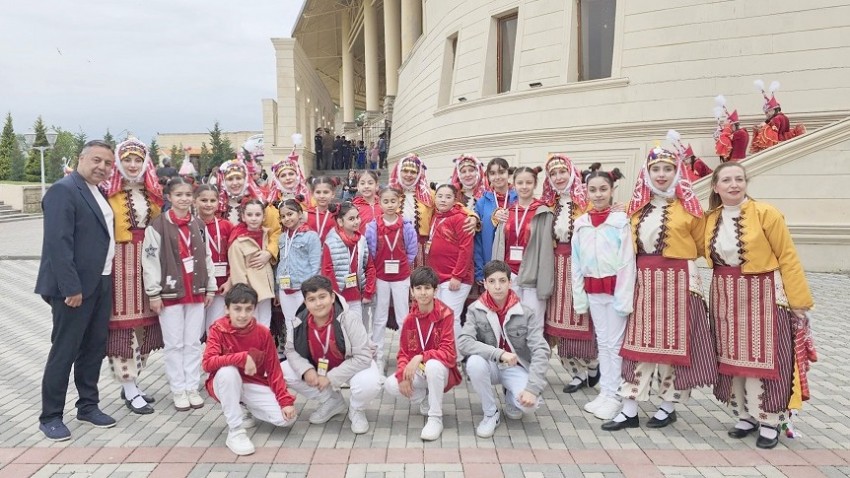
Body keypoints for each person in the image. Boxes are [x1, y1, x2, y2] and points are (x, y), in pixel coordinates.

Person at [605, 143, 717, 431]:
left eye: (668, 169)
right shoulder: (635, 208)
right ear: (647, 172)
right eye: (656, 169)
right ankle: (629, 407)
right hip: (645, 282)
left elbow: (704, 245)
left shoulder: (691, 210)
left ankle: (668, 405)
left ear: (677, 171)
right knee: (637, 346)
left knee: (675, 346)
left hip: (681, 282)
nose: (662, 174)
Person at [704, 162, 814, 449]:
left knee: (766, 357)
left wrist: (798, 300)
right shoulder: (709, 219)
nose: (733, 185)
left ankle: (769, 419)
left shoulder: (766, 213)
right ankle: (745, 415)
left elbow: (787, 255)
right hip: (725, 294)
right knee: (731, 358)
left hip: (763, 292)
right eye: (726, 180)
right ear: (716, 186)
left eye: (739, 179)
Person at [36, 139, 118, 441]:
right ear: (80, 158)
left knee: (94, 348)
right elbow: (58, 244)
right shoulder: (64, 190)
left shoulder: (98, 192)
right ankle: (50, 416)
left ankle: (87, 405)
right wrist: (71, 287)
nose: (102, 167)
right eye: (96, 160)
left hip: (101, 281)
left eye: (108, 163)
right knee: (65, 351)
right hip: (75, 289)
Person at [102, 138, 165, 415]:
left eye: (137, 160)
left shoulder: (153, 193)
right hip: (120, 262)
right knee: (123, 328)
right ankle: (128, 387)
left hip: (148, 262)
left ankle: (133, 383)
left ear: (144, 163)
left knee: (144, 326)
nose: (132, 164)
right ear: (119, 161)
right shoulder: (108, 192)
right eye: (127, 159)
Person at [142, 177, 216, 412]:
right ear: (169, 197)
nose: (183, 199)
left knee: (193, 342)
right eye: (178, 195)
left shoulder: (198, 225)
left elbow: (207, 257)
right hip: (170, 292)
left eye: (187, 195)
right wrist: (153, 293)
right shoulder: (157, 226)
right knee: (174, 344)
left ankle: (192, 387)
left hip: (195, 290)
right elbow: (150, 261)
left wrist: (210, 286)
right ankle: (178, 389)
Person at [459, 260, 550, 438]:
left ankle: (511, 396)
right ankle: (491, 413)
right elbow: (464, 342)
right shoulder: (475, 310)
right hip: (491, 365)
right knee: (474, 363)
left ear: (510, 282)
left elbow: (541, 350)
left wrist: (532, 388)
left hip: (516, 367)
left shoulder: (526, 312)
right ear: (484, 284)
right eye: (492, 281)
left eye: (502, 281)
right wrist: (498, 353)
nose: (497, 286)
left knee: (529, 405)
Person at [571, 168, 635, 420]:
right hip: (593, 289)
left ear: (612, 191)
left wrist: (624, 296)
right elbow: (576, 262)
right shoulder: (581, 223)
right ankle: (607, 392)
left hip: (615, 291)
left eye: (603, 189)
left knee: (615, 344)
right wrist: (579, 296)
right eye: (593, 190)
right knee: (604, 343)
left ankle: (617, 395)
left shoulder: (621, 222)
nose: (597, 195)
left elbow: (627, 261)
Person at [281, 275, 382, 434]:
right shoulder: (298, 320)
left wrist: (330, 378)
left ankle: (356, 409)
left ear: (332, 296)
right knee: (283, 370)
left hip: (350, 365)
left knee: (369, 382)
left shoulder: (348, 318)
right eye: (312, 299)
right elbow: (291, 350)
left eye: (322, 297)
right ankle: (332, 401)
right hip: (319, 365)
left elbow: (363, 357)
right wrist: (306, 370)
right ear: (306, 302)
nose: (318, 303)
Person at [203, 284, 297, 456]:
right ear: (227, 309)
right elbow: (208, 363)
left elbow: (274, 369)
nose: (243, 315)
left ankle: (244, 405)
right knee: (228, 372)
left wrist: (285, 401)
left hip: (251, 383)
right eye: (237, 309)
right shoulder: (218, 329)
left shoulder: (262, 332)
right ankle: (235, 430)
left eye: (248, 309)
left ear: (254, 309)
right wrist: (242, 357)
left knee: (285, 420)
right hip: (223, 383)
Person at [539, 154, 600, 395]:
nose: (558, 177)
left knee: (581, 316)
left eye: (562, 172)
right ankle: (575, 372)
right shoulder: (548, 204)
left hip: (580, 265)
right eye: (553, 174)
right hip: (554, 265)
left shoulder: (586, 201)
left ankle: (593, 364)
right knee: (556, 321)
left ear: (572, 172)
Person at [383, 267, 462, 441]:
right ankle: (426, 396)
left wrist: (420, 356)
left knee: (432, 366)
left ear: (435, 290)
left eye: (427, 288)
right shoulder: (410, 319)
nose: (423, 293)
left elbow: (449, 353)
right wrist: (402, 375)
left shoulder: (446, 315)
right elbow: (403, 353)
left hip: (441, 370)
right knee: (391, 384)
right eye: (418, 288)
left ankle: (436, 418)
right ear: (412, 291)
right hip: (419, 371)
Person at [492, 166, 554, 326]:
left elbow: (546, 250)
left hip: (533, 276)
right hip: (509, 275)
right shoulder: (507, 212)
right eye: (520, 182)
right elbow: (499, 244)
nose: (524, 186)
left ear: (535, 184)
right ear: (514, 184)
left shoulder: (542, 212)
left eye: (528, 182)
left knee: (533, 324)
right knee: (510, 323)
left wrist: (545, 282)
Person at [365, 187, 418, 369]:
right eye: (385, 201)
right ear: (379, 203)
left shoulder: (406, 226)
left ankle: (406, 355)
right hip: (381, 276)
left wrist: (403, 264)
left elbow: (412, 250)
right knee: (379, 317)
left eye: (393, 201)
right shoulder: (372, 227)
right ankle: (378, 356)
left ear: (399, 202)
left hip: (401, 277)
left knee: (404, 316)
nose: (389, 205)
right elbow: (370, 252)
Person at [426, 183, 474, 351]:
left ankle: (459, 355)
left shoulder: (460, 218)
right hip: (438, 277)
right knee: (441, 317)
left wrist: (458, 275)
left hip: (455, 278)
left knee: (450, 317)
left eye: (448, 197)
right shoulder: (436, 216)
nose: (443, 200)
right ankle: (445, 351)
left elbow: (466, 248)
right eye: (440, 196)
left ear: (455, 200)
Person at [321, 202, 376, 326]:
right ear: (340, 222)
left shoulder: (361, 240)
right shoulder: (331, 242)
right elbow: (327, 271)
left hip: (356, 295)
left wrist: (368, 292)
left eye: (357, 217)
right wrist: (334, 297)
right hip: (338, 298)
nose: (356, 221)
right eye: (351, 219)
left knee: (357, 332)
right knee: (341, 333)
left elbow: (369, 267)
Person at [276, 198, 322, 336]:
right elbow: (281, 263)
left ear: (300, 214)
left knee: (306, 324)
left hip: (303, 288)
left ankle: (308, 356)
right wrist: (278, 288)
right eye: (283, 216)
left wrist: (313, 290)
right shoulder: (282, 237)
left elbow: (316, 265)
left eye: (290, 214)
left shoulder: (311, 236)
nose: (287, 219)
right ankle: (293, 356)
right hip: (285, 289)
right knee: (290, 323)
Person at [228, 199, 276, 328]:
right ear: (243, 216)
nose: (254, 219)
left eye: (257, 215)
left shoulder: (266, 234)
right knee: (250, 324)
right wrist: (243, 294)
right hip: (250, 291)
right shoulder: (238, 242)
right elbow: (237, 271)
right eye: (249, 215)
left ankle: (263, 347)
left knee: (265, 323)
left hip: (266, 290)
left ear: (263, 216)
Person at [195, 185, 234, 332]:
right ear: (195, 201)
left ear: (218, 202)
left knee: (215, 327)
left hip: (221, 285)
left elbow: (234, 256)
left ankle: (212, 354)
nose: (208, 204)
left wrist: (230, 281)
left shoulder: (226, 226)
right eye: (203, 200)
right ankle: (197, 356)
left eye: (212, 200)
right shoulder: (189, 224)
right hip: (196, 286)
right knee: (195, 330)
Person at [474, 158, 517, 286]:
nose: (497, 177)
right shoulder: (482, 202)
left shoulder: (518, 197)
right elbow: (478, 240)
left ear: (508, 174)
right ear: (488, 177)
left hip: (516, 265)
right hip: (490, 264)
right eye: (492, 173)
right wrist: (480, 271)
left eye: (501, 172)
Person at [750, 80, 807, 154]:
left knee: (766, 130)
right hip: (783, 140)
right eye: (765, 112)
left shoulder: (777, 118)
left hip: (779, 141)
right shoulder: (781, 117)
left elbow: (773, 130)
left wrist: (763, 127)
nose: (767, 114)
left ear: (774, 110)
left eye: (768, 111)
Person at [305, 176, 339, 242]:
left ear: (333, 194)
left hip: (333, 250)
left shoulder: (338, 213)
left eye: (326, 192)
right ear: (312, 194)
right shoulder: (306, 214)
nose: (322, 196)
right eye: (318, 192)